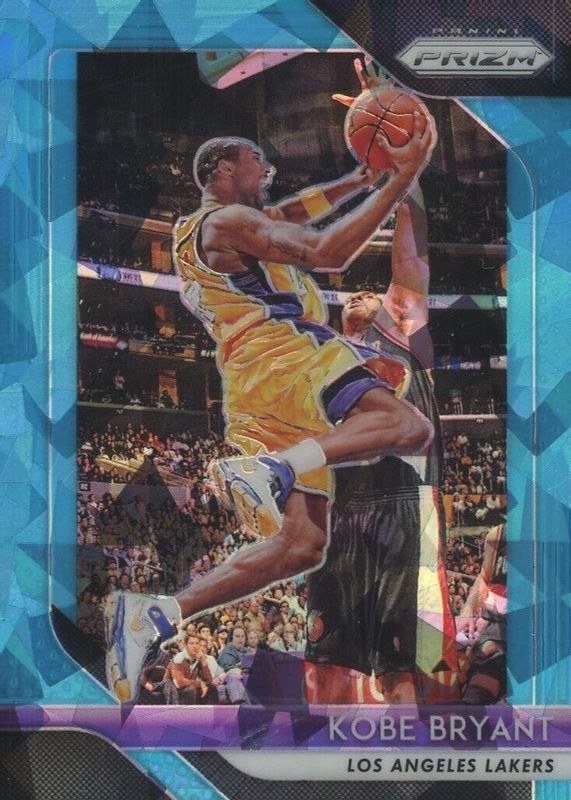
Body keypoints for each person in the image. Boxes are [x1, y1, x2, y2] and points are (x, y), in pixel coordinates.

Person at [105, 85, 437, 702]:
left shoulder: (209, 229)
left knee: (301, 546)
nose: (269, 172)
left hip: (251, 384)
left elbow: (292, 215)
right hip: (286, 355)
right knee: (409, 425)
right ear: (223, 170)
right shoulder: (227, 220)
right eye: (259, 163)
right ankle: (275, 469)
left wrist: (356, 181)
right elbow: (327, 251)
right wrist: (400, 179)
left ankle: (155, 614)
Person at [304, 63, 457, 703]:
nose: (360, 295)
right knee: (325, 664)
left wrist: (403, 162)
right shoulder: (323, 361)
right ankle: (324, 756)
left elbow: (410, 253)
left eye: (374, 293)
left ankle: (405, 751)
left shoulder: (403, 331)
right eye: (352, 294)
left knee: (402, 669)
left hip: (403, 503)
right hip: (342, 510)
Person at [457, 523, 506, 704]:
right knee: (475, 701)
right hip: (497, 629)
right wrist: (468, 611)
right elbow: (485, 576)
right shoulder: (499, 534)